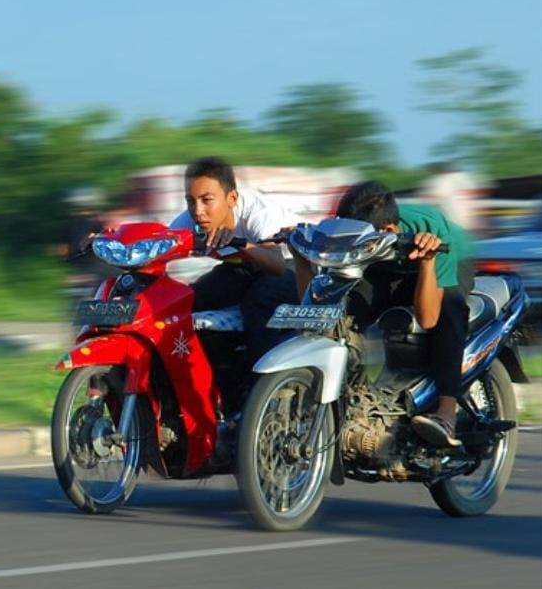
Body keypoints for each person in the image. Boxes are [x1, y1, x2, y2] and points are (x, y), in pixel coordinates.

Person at [293, 181, 473, 447]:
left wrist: (427, 262)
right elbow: (314, 310)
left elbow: (428, 319)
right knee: (341, 314)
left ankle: (447, 413)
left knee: (450, 312)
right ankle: (351, 397)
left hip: (445, 258)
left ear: (388, 231)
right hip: (384, 263)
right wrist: (299, 256)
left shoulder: (431, 232)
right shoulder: (352, 234)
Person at [169, 157, 299, 409]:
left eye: (207, 200)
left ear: (231, 199)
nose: (198, 211)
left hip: (290, 269)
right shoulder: (189, 220)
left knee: (259, 300)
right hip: (239, 270)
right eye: (190, 201)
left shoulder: (257, 213)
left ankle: (262, 397)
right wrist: (107, 240)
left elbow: (276, 265)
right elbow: (157, 245)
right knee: (184, 300)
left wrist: (241, 244)